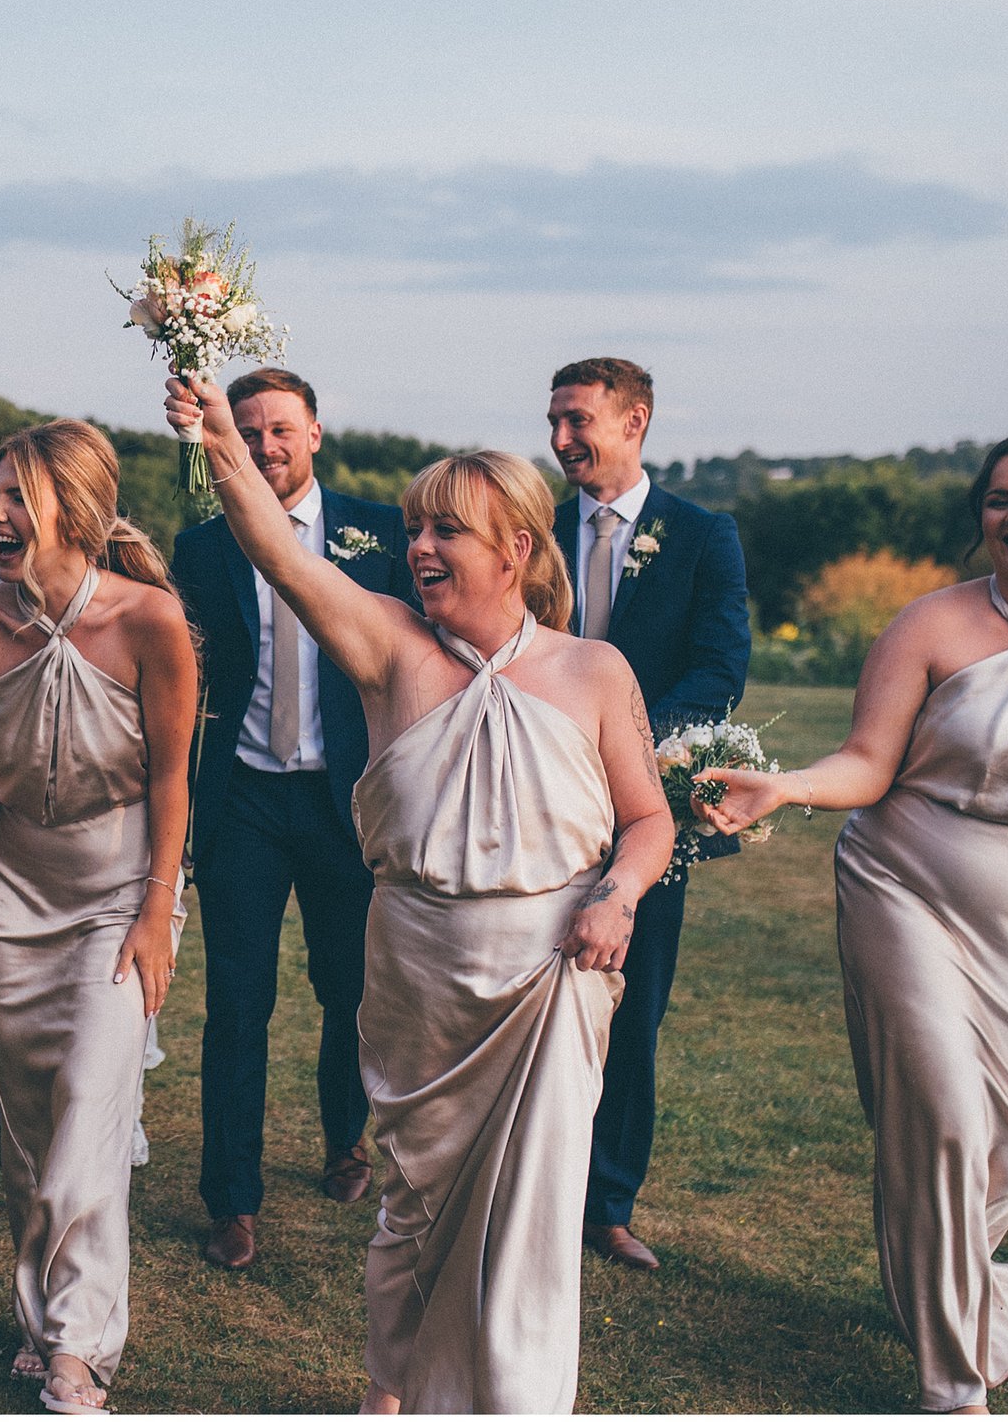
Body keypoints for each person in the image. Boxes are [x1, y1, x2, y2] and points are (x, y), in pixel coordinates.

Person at [168, 378, 672, 1414]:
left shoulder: (592, 671)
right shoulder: (390, 646)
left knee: (530, 1219)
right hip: (418, 969)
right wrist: (220, 437)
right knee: (415, 1205)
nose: (420, 548)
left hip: (550, 978)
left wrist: (618, 893)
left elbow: (649, 820)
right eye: (413, 528)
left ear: (518, 550)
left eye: (447, 529)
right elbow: (275, 551)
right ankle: (392, 1386)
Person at [697, 427, 1008, 1415]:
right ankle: (953, 1381)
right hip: (905, 887)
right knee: (945, 1123)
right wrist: (790, 788)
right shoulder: (926, 625)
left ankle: (934, 1282)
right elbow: (869, 764)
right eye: (998, 498)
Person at [0, 420, 196, 1416]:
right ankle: (41, 1316)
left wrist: (157, 908)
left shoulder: (149, 621)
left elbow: (175, 774)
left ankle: (79, 1348)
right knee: (29, 1128)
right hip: (13, 895)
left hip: (116, 893)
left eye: (16, 495)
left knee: (92, 1106)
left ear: (73, 506)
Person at [170, 367, 418, 1270]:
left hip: (345, 796)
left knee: (350, 989)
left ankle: (345, 1140)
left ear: (315, 432)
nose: (267, 446)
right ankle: (232, 1198)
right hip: (242, 796)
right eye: (248, 431)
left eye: (282, 429)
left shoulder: (380, 532)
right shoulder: (201, 548)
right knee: (237, 1001)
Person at [546, 356, 749, 1273]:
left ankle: (608, 1201)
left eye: (578, 420)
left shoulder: (703, 536)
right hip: (536, 795)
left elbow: (718, 666)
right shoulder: (534, 528)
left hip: (647, 806)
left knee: (634, 1006)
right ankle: (534, 1184)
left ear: (636, 422)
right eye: (553, 421)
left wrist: (628, 742)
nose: (560, 441)